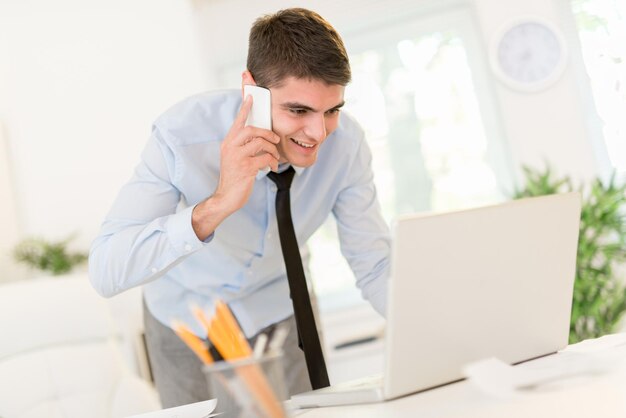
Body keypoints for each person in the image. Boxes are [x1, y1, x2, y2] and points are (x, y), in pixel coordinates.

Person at [89, 7, 390, 408]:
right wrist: (216, 204)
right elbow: (106, 269)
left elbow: (375, 264)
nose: (318, 133)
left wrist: (436, 334)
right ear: (251, 89)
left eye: (332, 110)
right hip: (185, 320)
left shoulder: (347, 146)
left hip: (280, 312)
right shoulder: (182, 135)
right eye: (298, 110)